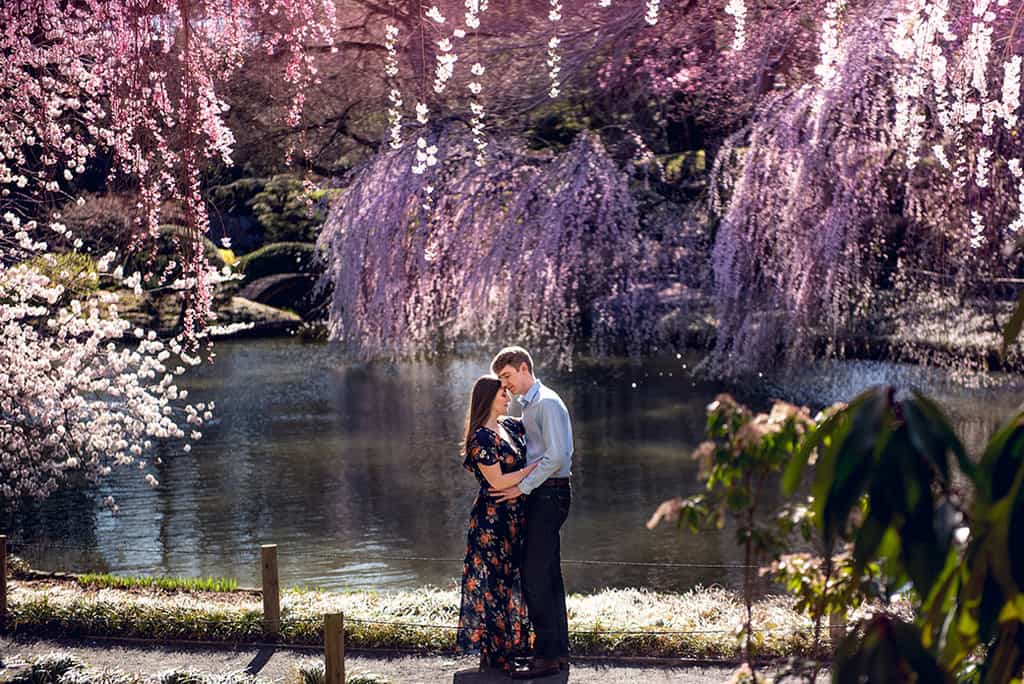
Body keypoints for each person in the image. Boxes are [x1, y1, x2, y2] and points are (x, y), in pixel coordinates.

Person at [489, 346, 573, 680]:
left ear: (524, 368)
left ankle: (548, 658)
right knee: (548, 576)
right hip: (546, 493)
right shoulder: (532, 405)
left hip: (549, 493)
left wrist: (520, 488)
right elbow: (533, 443)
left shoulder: (547, 403)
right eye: (500, 381)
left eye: (507, 376)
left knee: (535, 577)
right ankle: (556, 653)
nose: (505, 385)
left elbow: (556, 456)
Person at [456, 374, 538, 673]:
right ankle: (498, 658)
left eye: (508, 392)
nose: (508, 397)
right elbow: (498, 480)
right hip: (492, 523)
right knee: (495, 586)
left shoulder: (509, 426)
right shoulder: (481, 438)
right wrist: (535, 469)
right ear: (488, 398)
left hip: (515, 517)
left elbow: (536, 421)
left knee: (513, 581)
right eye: (503, 393)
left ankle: (516, 649)